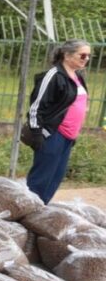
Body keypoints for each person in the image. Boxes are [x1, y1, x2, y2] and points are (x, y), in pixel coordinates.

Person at [25, 39, 93, 203]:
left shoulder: (77, 76)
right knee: (41, 178)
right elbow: (36, 106)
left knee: (55, 177)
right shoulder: (53, 76)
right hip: (52, 134)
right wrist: (37, 134)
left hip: (69, 136)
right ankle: (26, 211)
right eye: (82, 55)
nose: (86, 59)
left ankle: (40, 213)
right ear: (67, 55)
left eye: (89, 56)